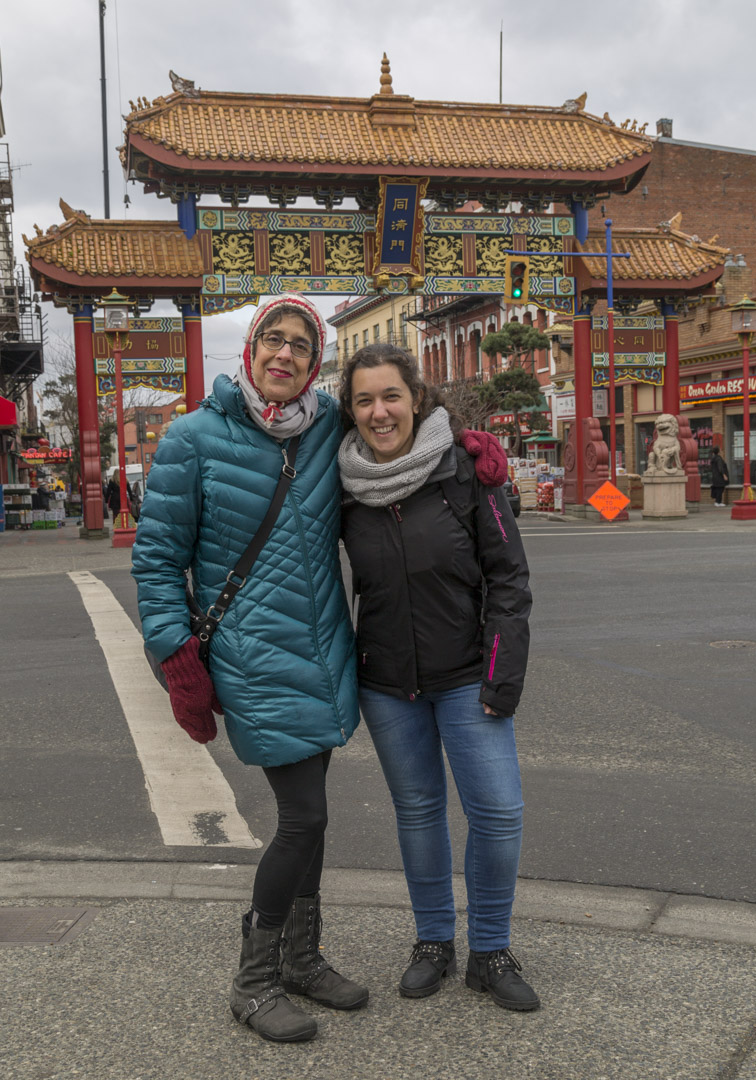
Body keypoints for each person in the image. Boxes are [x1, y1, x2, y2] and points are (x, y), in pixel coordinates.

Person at [132, 295, 368, 1044]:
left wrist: (466, 454)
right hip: (251, 653)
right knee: (304, 817)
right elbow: (157, 561)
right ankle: (254, 980)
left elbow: (397, 423)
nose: (284, 354)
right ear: (251, 347)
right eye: (274, 338)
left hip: (325, 649)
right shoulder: (193, 438)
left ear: (314, 363)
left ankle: (301, 958)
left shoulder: (327, 427)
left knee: (314, 817)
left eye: (301, 345)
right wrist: (175, 655)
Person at [338, 343, 540, 1013]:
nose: (379, 411)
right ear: (350, 411)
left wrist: (501, 674)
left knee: (498, 812)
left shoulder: (465, 471)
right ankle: (432, 942)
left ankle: (490, 950)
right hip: (386, 681)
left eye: (390, 395)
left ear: (417, 398)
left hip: (467, 675)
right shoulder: (341, 484)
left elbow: (509, 578)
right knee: (419, 813)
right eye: (364, 400)